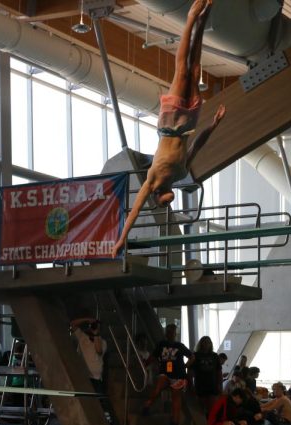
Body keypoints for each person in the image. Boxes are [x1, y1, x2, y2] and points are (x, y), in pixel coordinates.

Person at [112, 0, 226, 257]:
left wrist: (121, 240)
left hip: (170, 124)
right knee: (194, 70)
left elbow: (135, 211)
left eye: (162, 206)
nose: (168, 205)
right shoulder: (180, 174)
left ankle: (190, 18)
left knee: (181, 72)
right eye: (168, 207)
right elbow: (197, 145)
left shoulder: (151, 181)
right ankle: (204, 19)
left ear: (156, 196)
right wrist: (214, 125)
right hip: (189, 125)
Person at [142, 323, 191, 425]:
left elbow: (192, 356)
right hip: (166, 372)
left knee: (176, 398)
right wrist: (146, 363)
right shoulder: (162, 344)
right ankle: (148, 405)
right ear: (166, 333)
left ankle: (175, 422)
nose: (170, 334)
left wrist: (185, 366)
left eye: (172, 332)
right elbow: (153, 356)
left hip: (178, 374)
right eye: (169, 331)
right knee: (158, 389)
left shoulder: (179, 346)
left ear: (174, 333)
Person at [70, 317, 105, 394]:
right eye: (93, 325)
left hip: (96, 378)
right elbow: (72, 324)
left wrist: (96, 334)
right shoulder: (82, 336)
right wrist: (86, 319)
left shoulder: (102, 342)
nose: (94, 327)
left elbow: (99, 351)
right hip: (83, 376)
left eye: (97, 326)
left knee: (96, 401)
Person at [189, 336, 222, 416]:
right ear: (201, 344)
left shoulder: (215, 356)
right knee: (200, 408)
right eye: (205, 342)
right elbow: (190, 371)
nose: (206, 344)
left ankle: (211, 424)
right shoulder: (195, 356)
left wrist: (220, 385)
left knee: (212, 407)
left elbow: (219, 371)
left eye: (208, 342)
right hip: (200, 385)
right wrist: (190, 385)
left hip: (212, 385)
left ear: (211, 344)